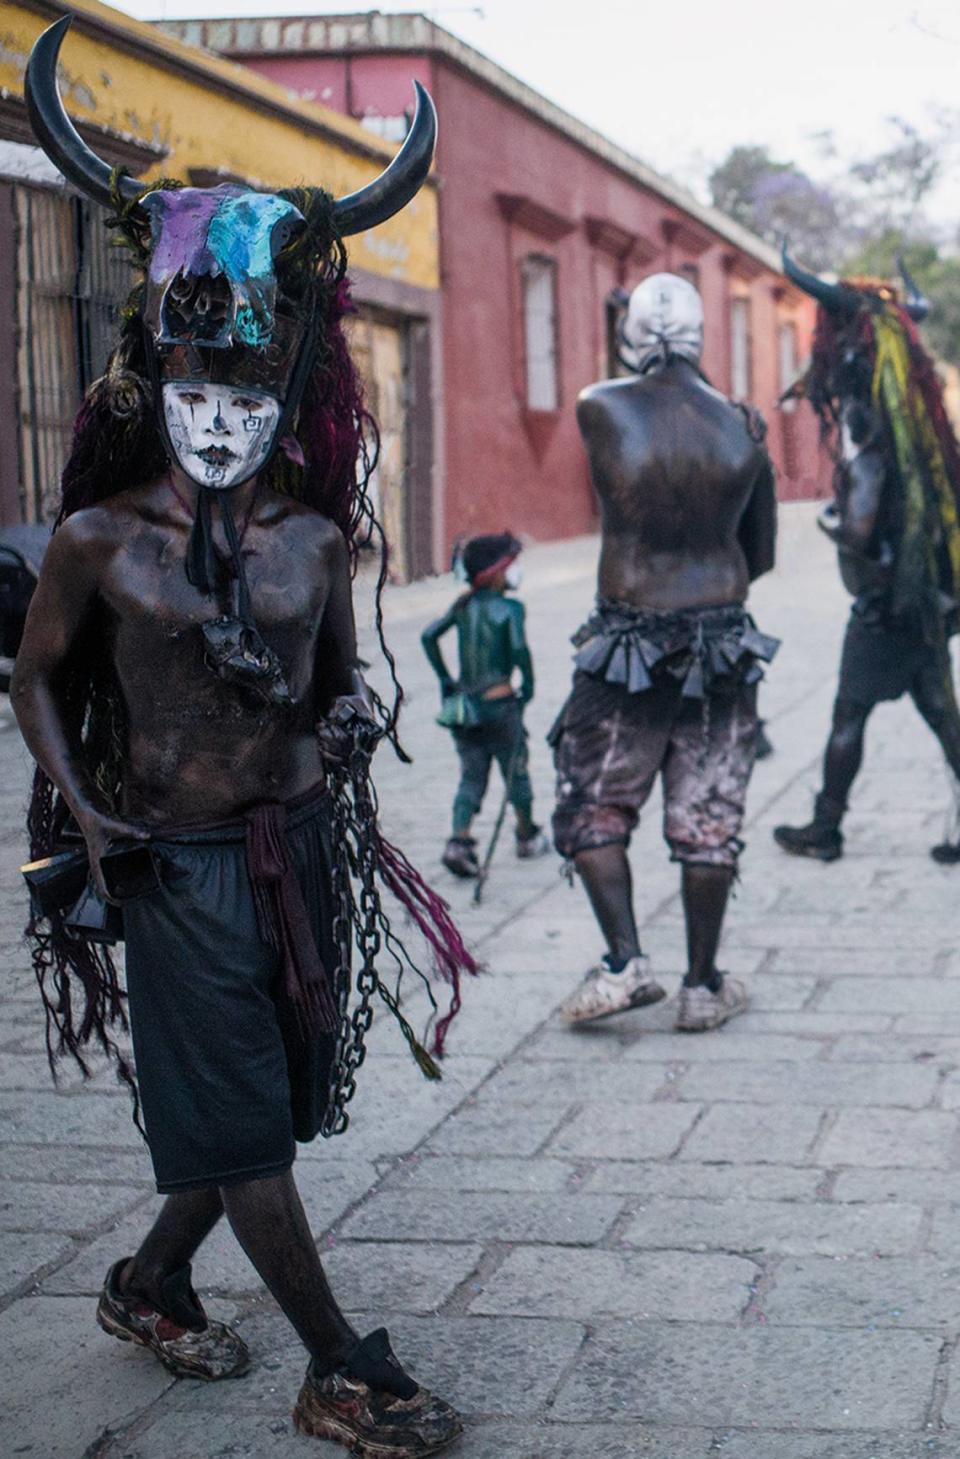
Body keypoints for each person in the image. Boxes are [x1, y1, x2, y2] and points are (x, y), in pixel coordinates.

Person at [13, 19, 469, 1456]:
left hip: (297, 849)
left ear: (285, 402)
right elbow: (28, 680)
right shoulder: (97, 542)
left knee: (261, 1090)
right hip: (171, 862)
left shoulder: (315, 543)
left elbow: (338, 684)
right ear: (157, 383)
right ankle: (340, 1361)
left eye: (245, 399)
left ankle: (151, 1278)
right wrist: (84, 815)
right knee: (249, 1120)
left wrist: (342, 719)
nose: (218, 422)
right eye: (195, 395)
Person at [550, 272, 778, 1032]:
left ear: (631, 332)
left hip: (625, 641)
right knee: (710, 816)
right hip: (721, 641)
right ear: (704, 335)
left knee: (594, 802)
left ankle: (625, 962)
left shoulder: (598, 405)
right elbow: (763, 553)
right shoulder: (744, 428)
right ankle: (703, 986)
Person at [772, 250, 960, 864]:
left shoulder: (874, 438)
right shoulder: (917, 428)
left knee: (848, 716)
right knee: (939, 712)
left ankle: (825, 829)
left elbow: (857, 529)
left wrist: (832, 522)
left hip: (884, 608)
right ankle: (826, 824)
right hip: (923, 603)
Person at [422, 532, 550, 877]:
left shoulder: (462, 607)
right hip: (500, 706)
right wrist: (529, 686)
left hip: (466, 709)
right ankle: (526, 835)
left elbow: (428, 636)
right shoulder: (511, 609)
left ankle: (458, 841)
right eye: (512, 566)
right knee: (515, 769)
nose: (516, 572)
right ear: (495, 572)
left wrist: (446, 679)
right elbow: (520, 651)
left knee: (471, 776)